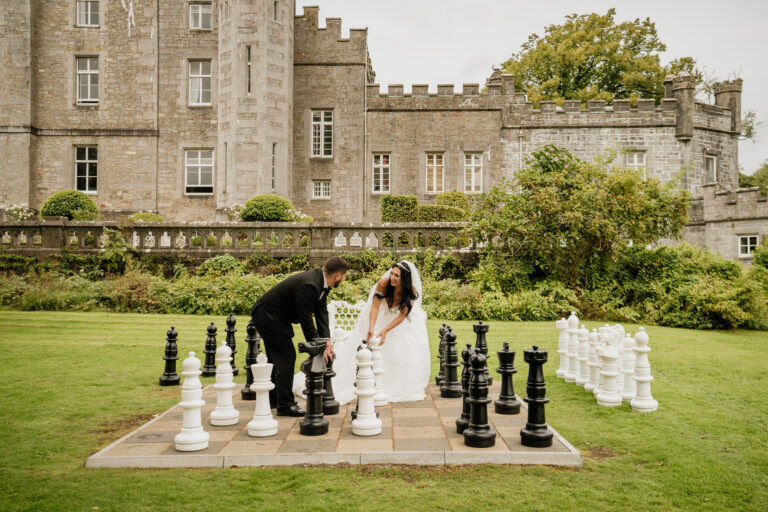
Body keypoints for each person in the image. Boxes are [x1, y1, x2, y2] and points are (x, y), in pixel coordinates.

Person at [295, 260, 430, 404]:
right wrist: (372, 328)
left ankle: (391, 382)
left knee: (402, 351)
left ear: (405, 279)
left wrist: (386, 330)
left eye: (397, 276)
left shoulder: (411, 291)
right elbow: (375, 308)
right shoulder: (384, 284)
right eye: (392, 273)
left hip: (396, 323)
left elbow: (402, 315)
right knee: (370, 349)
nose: (392, 277)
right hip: (379, 317)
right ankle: (367, 380)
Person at [251, 256, 349, 416]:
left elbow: (321, 313)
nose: (345, 279)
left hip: (274, 317)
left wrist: (326, 341)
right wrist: (319, 348)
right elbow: (306, 320)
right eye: (345, 276)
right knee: (286, 355)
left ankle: (272, 398)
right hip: (268, 316)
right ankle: (285, 405)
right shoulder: (310, 285)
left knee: (276, 358)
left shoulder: (322, 284)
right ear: (338, 275)